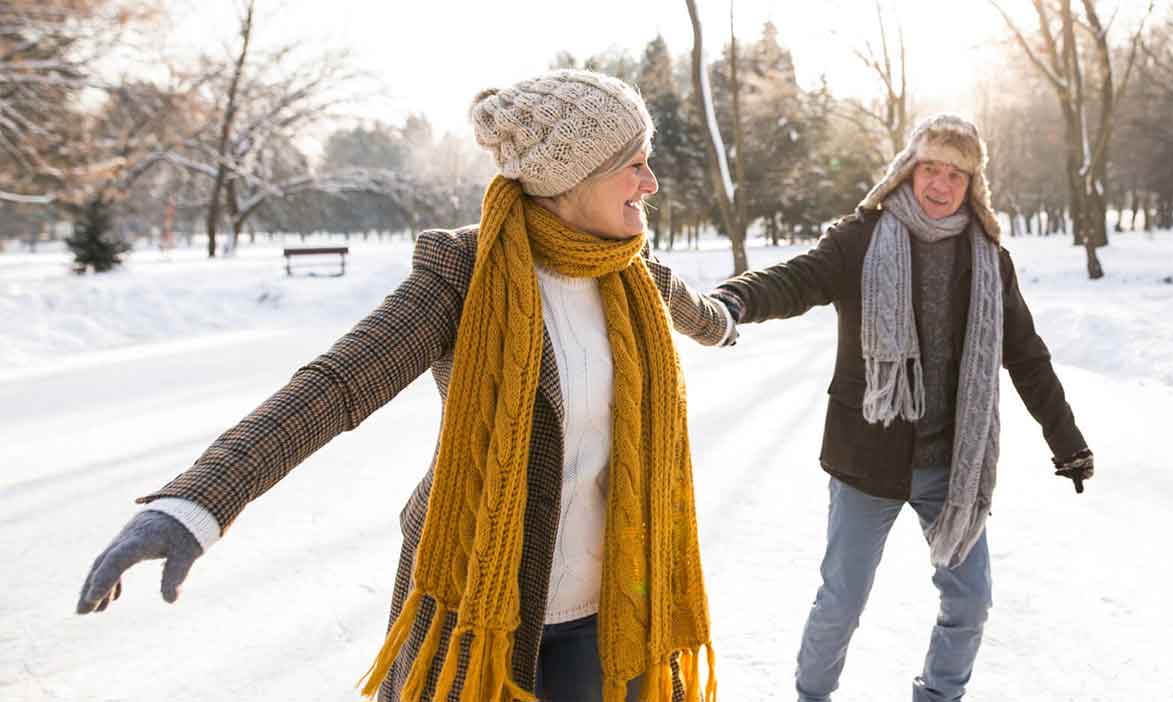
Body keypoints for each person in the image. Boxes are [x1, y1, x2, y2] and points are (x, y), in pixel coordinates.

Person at [76, 69, 734, 702]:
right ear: (571, 180)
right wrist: (197, 502)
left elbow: (693, 310)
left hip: (616, 600)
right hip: (479, 594)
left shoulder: (633, 270)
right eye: (635, 164)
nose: (650, 183)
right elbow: (336, 385)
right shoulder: (468, 273)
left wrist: (727, 321)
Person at [709, 114, 1094, 702]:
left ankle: (939, 696)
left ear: (973, 185)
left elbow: (1027, 356)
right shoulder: (861, 239)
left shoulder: (989, 259)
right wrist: (735, 299)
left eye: (956, 175)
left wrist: (1066, 441)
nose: (941, 185)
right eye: (930, 170)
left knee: (970, 600)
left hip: (952, 469)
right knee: (842, 600)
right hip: (868, 459)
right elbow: (797, 280)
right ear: (908, 171)